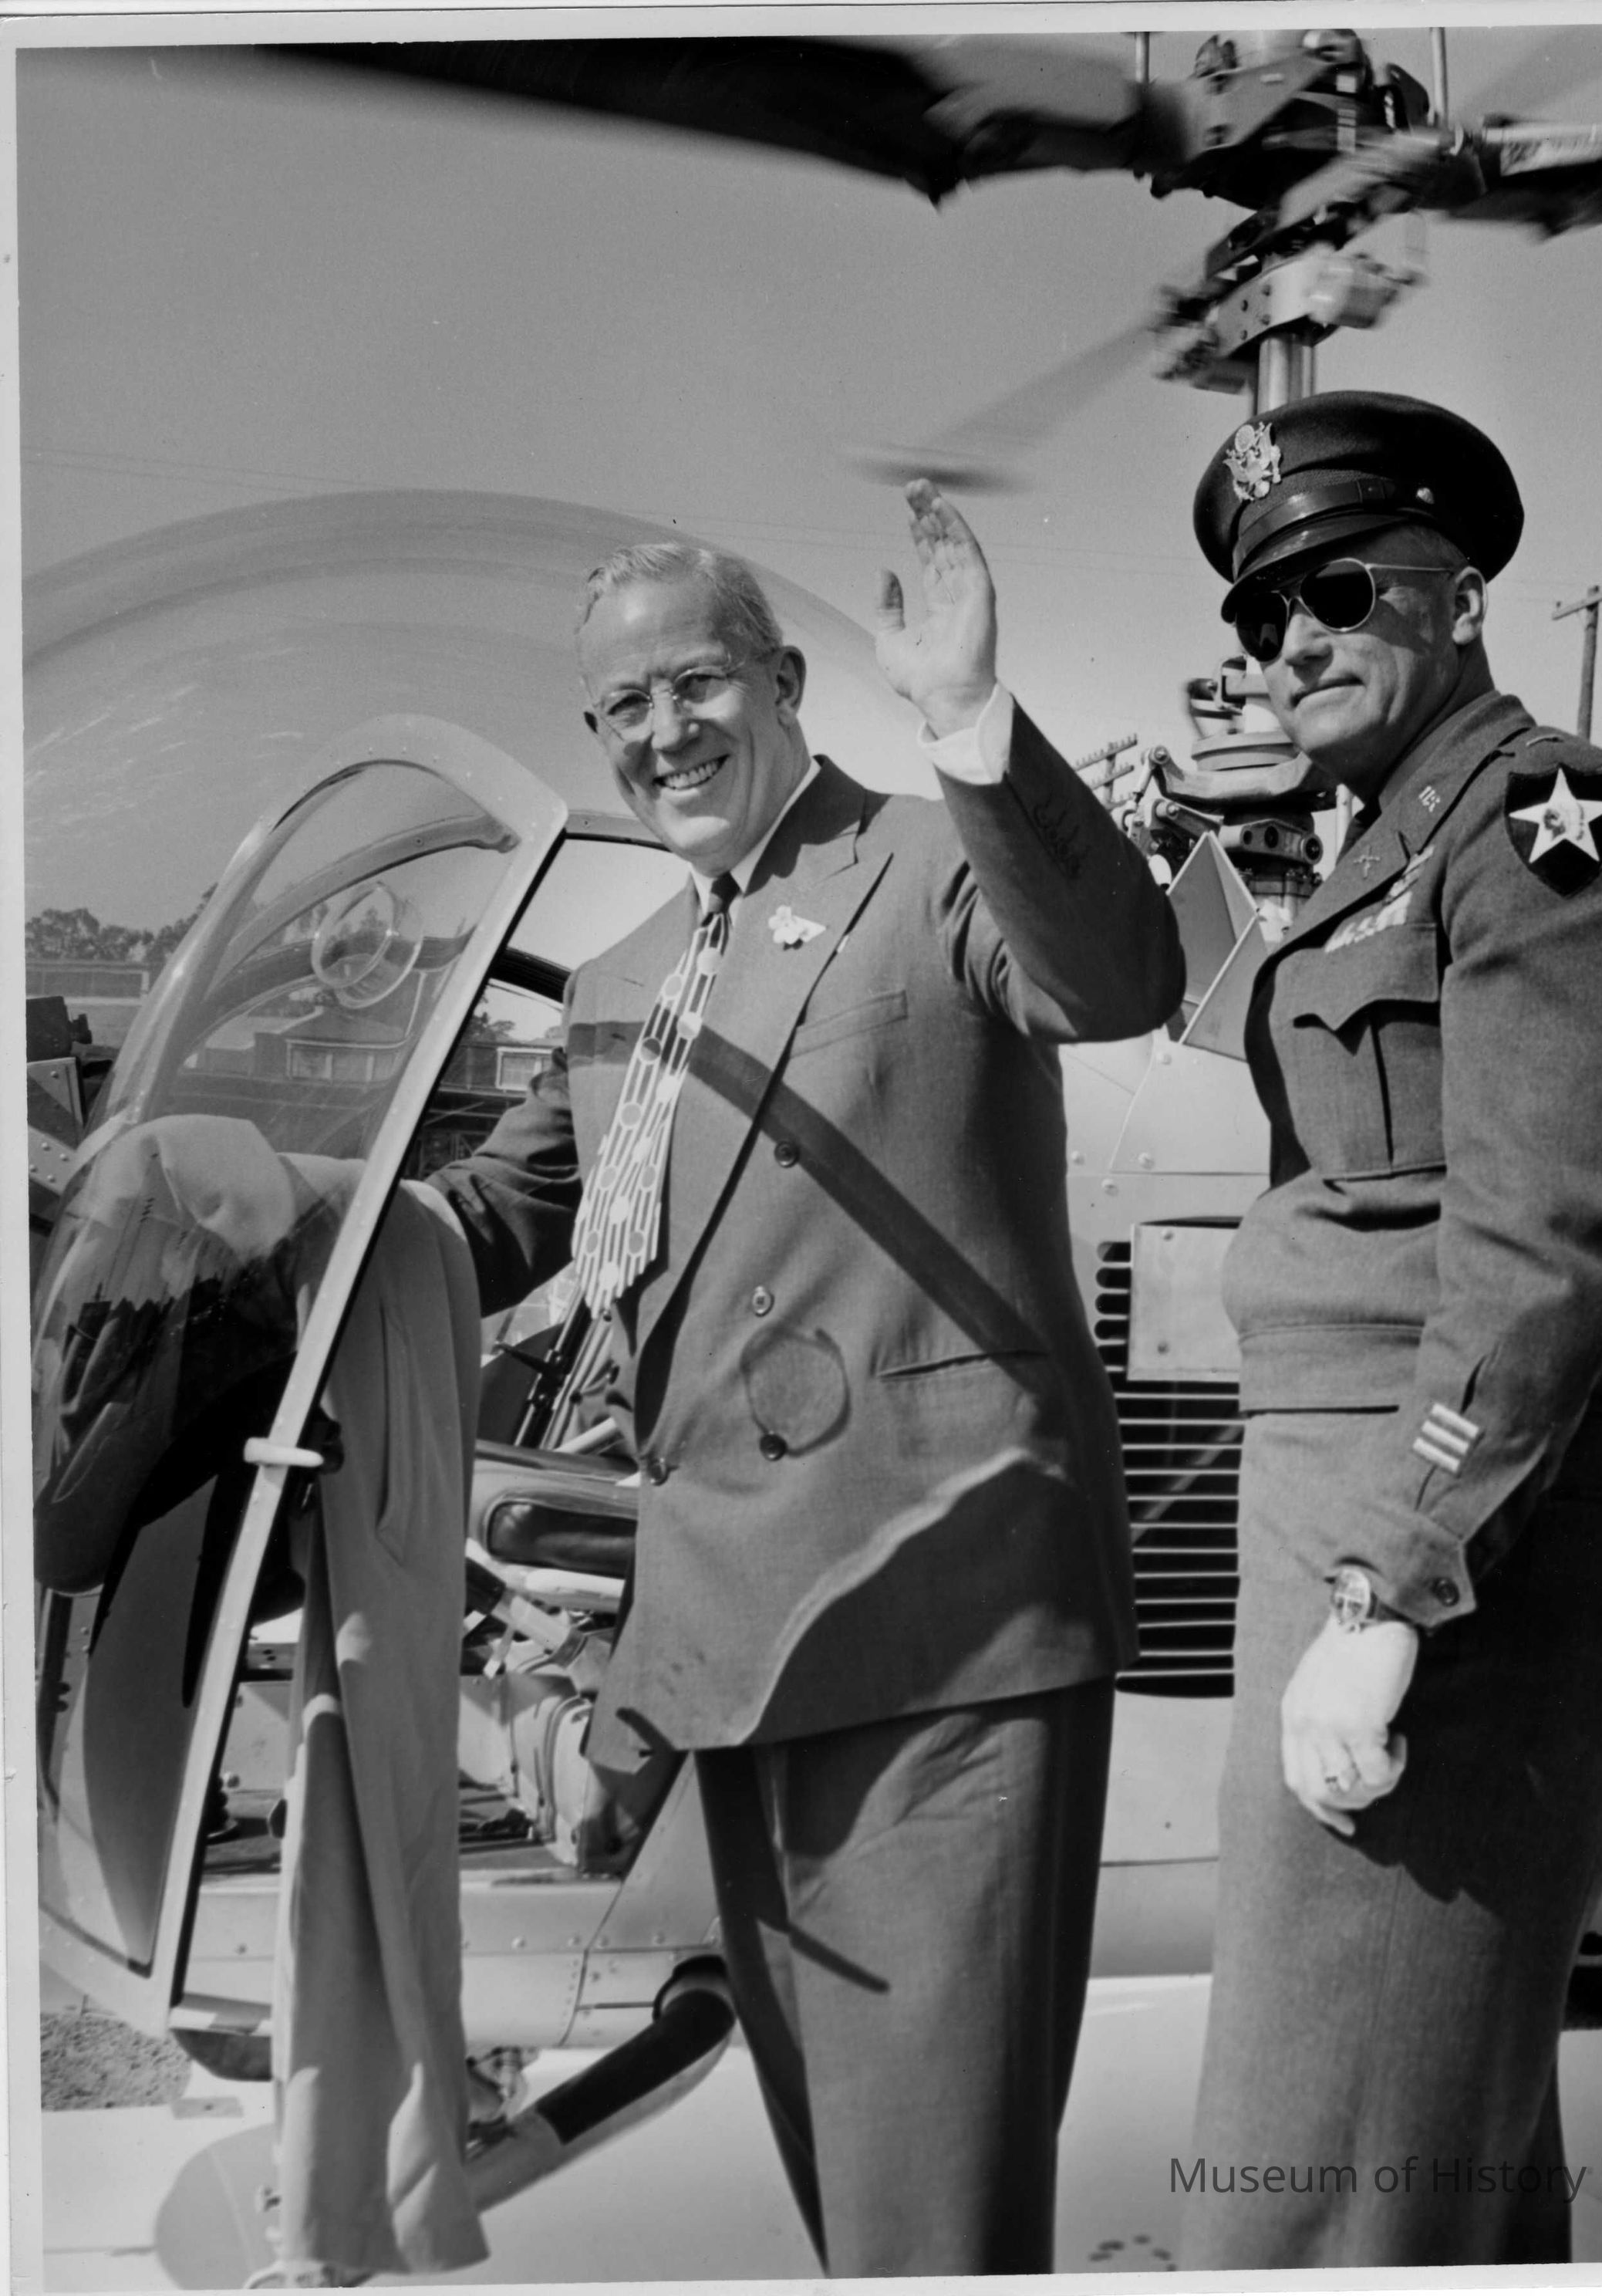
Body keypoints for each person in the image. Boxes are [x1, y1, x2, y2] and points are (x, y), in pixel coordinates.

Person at [433, 482, 1184, 2274]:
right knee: (854, 2206)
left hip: (942, 1626)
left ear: (781, 684)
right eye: (623, 707)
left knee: (930, 2211)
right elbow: (499, 1216)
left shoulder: (929, 859)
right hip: (740, 1643)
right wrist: (254, 1225)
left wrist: (973, 721)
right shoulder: (623, 977)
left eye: (696, 684)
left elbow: (1116, 978)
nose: (663, 733)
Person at [1176, 392, 1602, 2267]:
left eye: (1339, 589)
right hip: (1354, 1540)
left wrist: (1389, 1596)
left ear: (1464, 595)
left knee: (1323, 2187)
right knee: (1421, 2166)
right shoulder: (1373, 860)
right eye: (1262, 613)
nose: (1292, 641)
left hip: (1450, 1556)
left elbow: (1544, 1247)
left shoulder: (1556, 828)